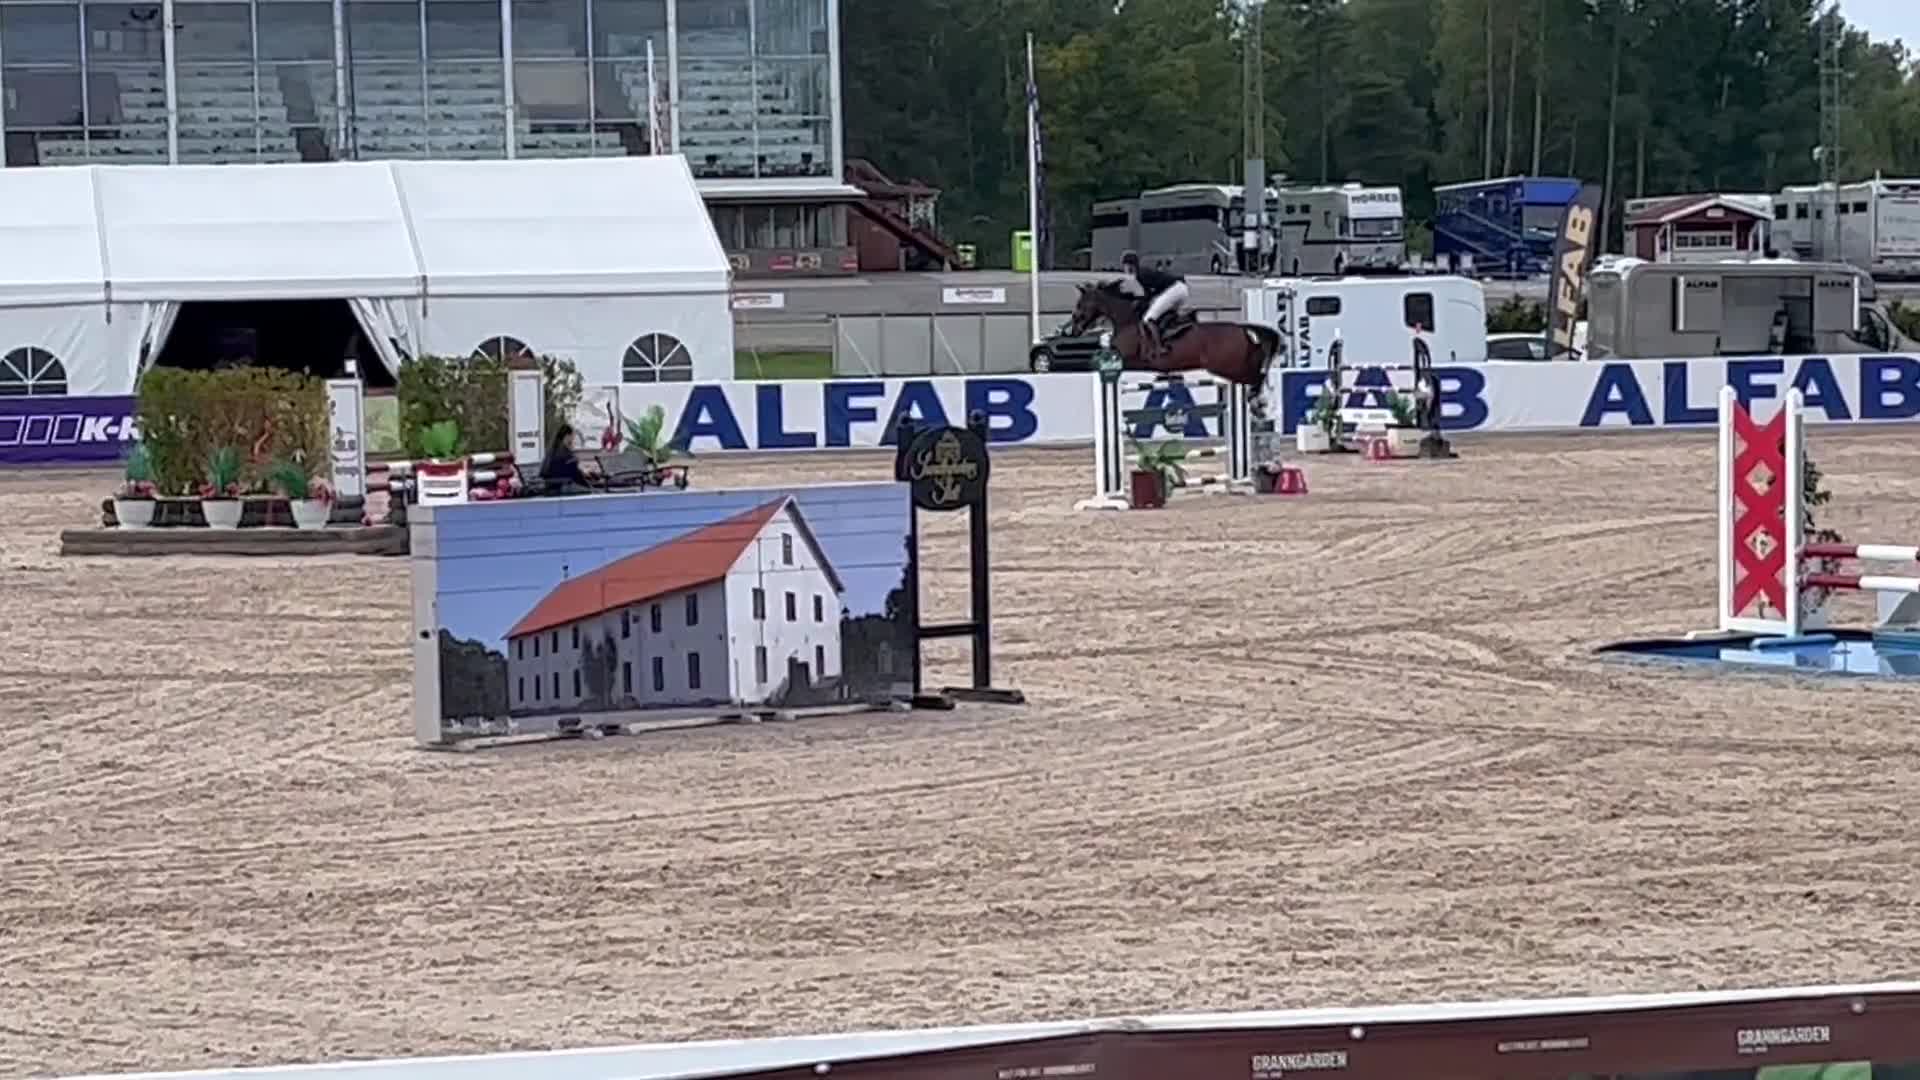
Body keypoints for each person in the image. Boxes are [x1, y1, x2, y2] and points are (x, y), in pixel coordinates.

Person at [1118, 250, 1189, 363]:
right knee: (1162, 315)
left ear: (1129, 265)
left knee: (1148, 319)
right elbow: (1148, 296)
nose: (1124, 269)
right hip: (1181, 289)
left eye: (1125, 266)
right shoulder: (1142, 273)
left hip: (1175, 290)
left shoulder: (1140, 275)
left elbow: (1145, 298)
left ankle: (1159, 348)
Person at [541, 424, 601, 491]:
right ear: (567, 436)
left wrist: (585, 474)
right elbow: (577, 477)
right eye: (573, 436)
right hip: (564, 488)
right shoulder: (565, 454)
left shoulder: (551, 452)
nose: (573, 439)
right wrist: (591, 488)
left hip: (552, 488)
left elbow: (567, 471)